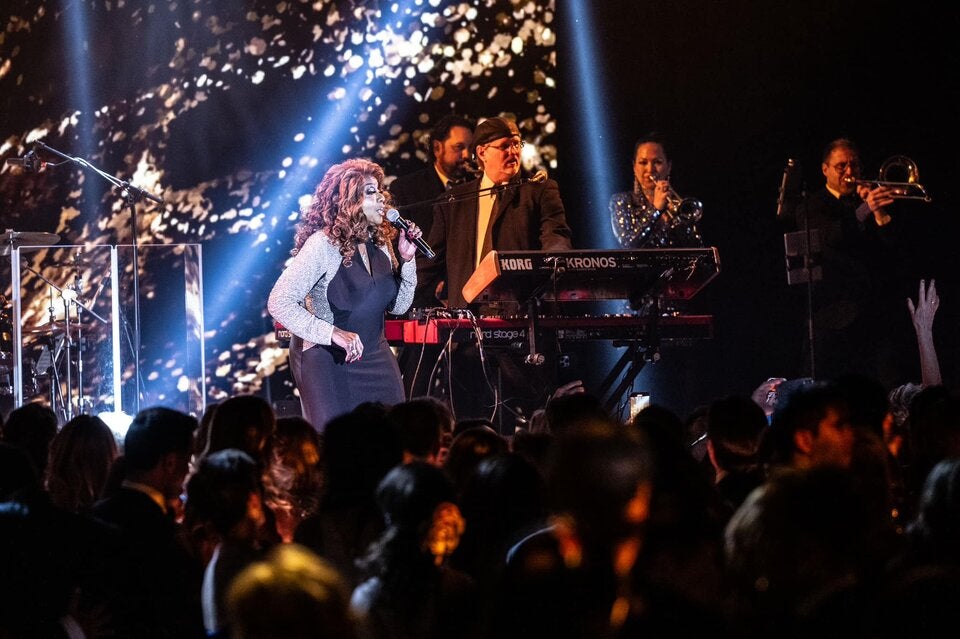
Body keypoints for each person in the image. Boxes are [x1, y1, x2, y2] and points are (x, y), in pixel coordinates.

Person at [415, 116, 573, 424]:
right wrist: (402, 300)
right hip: (467, 334)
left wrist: (554, 260)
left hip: (521, 326)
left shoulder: (538, 191)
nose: (513, 151)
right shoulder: (454, 200)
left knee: (525, 422)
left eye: (517, 144)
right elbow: (429, 264)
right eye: (505, 146)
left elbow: (556, 235)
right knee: (469, 419)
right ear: (482, 153)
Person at [268, 158, 423, 431]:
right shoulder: (322, 245)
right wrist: (333, 333)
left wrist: (408, 261)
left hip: (375, 352)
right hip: (326, 358)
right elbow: (279, 301)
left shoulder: (380, 242)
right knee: (337, 446)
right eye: (371, 192)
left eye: (380, 190)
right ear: (349, 201)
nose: (382, 199)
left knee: (393, 436)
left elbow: (398, 308)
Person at [783, 138, 906, 385]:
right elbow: (830, 236)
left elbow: (894, 248)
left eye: (855, 165)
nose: (850, 172)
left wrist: (879, 212)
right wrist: (864, 211)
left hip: (873, 316)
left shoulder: (866, 201)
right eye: (841, 166)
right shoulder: (810, 205)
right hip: (832, 318)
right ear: (825, 169)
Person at [389, 113, 476, 253]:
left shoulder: (479, 185)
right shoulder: (405, 189)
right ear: (437, 148)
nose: (467, 155)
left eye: (470, 148)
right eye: (459, 147)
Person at [609, 132, 704, 249]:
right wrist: (656, 210)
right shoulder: (622, 201)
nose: (650, 169)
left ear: (669, 167)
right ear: (634, 167)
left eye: (657, 162)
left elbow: (696, 248)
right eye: (643, 163)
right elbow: (629, 244)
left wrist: (678, 220)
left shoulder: (680, 205)